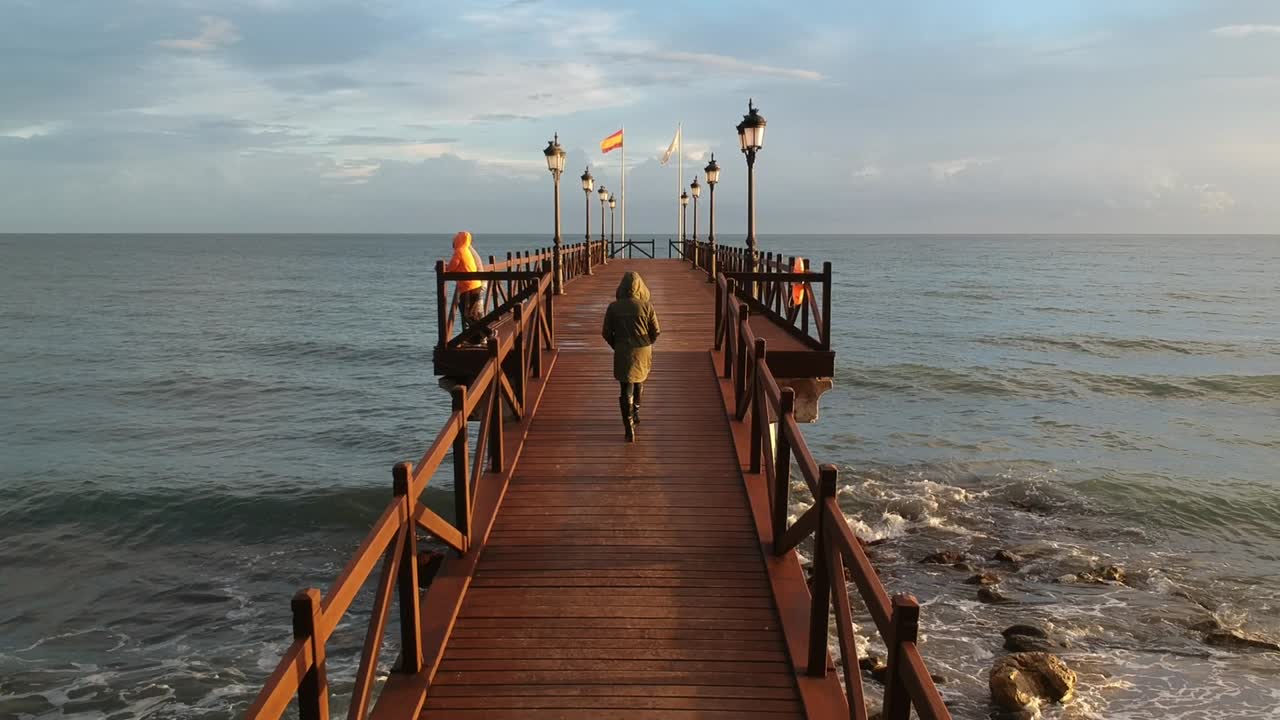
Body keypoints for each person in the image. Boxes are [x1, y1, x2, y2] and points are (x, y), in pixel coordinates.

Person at [602, 271, 661, 442]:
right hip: (643, 349)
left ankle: (628, 427)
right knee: (639, 380)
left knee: (625, 386)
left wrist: (616, 345)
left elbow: (606, 332)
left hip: (622, 349)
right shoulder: (647, 306)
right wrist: (647, 343)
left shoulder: (613, 307)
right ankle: (635, 411)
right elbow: (656, 331)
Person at [446, 231, 486, 339]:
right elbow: (461, 266)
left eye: (454, 240)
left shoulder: (459, 251)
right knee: (472, 313)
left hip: (469, 287)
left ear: (458, 241)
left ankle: (488, 333)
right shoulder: (467, 251)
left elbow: (453, 266)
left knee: (468, 314)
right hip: (475, 285)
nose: (453, 243)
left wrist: (445, 268)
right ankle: (476, 338)